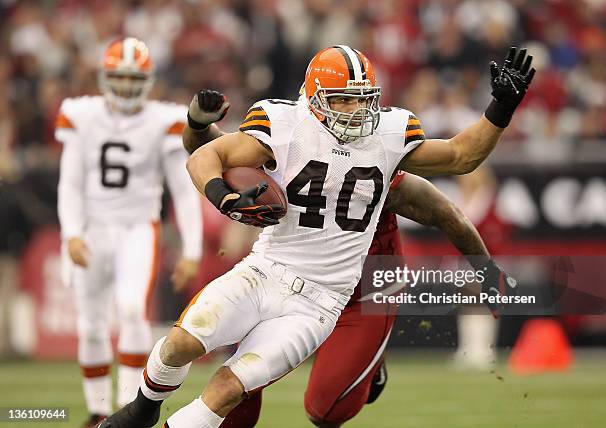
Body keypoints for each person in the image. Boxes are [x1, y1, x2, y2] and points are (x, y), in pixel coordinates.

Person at [99, 44, 534, 428]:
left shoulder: (388, 138)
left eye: (363, 100)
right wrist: (222, 196)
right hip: (266, 270)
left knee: (241, 391)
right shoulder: (285, 124)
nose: (357, 110)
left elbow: (460, 157)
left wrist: (500, 109)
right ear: (316, 99)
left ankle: (364, 365)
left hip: (322, 299)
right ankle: (143, 407)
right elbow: (208, 152)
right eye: (344, 100)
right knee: (180, 343)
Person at [181, 90, 512, 428]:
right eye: (339, 102)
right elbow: (215, 153)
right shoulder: (287, 144)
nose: (347, 116)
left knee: (326, 411)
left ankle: (368, 362)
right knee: (237, 388)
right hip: (290, 279)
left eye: (356, 102)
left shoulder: (381, 164)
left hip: (362, 292)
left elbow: (449, 204)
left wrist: (486, 270)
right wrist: (198, 123)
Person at [56, 37, 203, 428]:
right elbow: (69, 182)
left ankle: (126, 408)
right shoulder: (81, 114)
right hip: (92, 227)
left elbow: (183, 188)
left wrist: (192, 248)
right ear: (105, 77)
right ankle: (97, 409)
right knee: (90, 322)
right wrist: (70, 233)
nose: (124, 86)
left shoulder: (163, 120)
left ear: (148, 79)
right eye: (118, 78)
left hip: (139, 226)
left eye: (131, 78)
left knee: (133, 310)